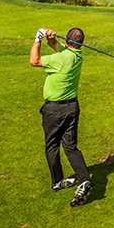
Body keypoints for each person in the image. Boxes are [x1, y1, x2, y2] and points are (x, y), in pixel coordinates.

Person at [30, 26, 92, 207]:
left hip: (54, 110)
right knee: (71, 147)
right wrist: (50, 39)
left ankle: (57, 181)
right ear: (80, 44)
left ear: (67, 41)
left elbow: (34, 61)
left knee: (52, 146)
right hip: (72, 107)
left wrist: (37, 39)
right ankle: (84, 179)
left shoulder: (61, 58)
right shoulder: (77, 56)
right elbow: (61, 50)